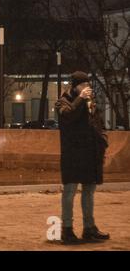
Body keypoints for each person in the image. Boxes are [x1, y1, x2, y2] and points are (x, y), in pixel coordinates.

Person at [55, 71, 110, 244]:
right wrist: (80, 98)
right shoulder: (62, 101)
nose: (87, 88)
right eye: (83, 85)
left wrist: (102, 139)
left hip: (89, 153)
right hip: (72, 154)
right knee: (70, 191)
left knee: (89, 191)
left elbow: (97, 121)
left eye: (88, 85)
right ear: (75, 86)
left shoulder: (89, 102)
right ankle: (67, 230)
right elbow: (68, 116)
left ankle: (89, 228)